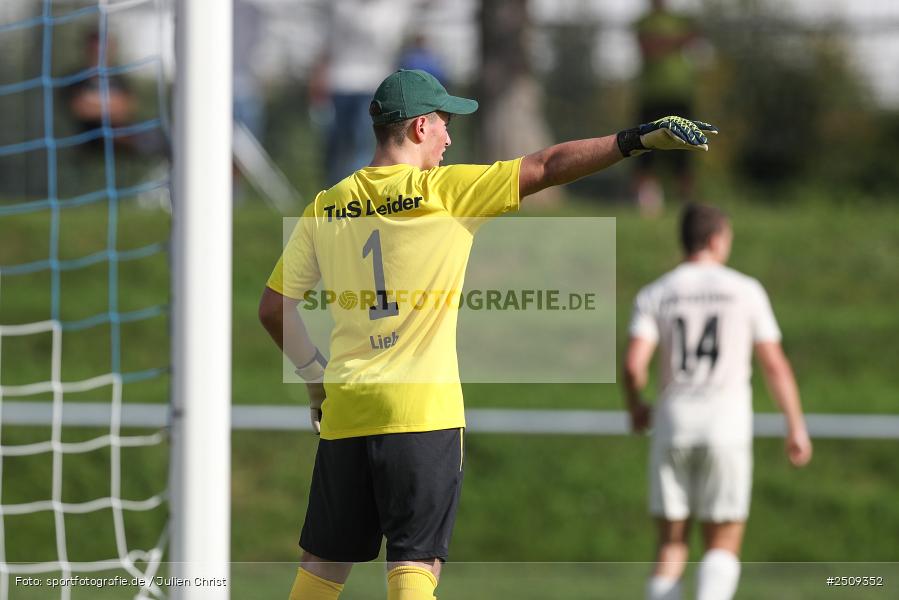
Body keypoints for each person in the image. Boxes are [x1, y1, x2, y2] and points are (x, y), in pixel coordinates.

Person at [259, 68, 716, 600]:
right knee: (414, 565)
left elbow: (274, 308)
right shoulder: (444, 192)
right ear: (420, 128)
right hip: (422, 413)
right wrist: (636, 140)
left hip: (347, 412)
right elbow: (547, 166)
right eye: (445, 124)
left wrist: (315, 380)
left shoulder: (326, 205)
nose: (450, 139)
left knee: (321, 569)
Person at [622, 203, 813, 600]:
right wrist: (795, 425)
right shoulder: (745, 290)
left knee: (671, 544)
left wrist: (636, 405)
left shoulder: (657, 293)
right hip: (726, 425)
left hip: (673, 423)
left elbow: (633, 365)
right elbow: (774, 365)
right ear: (715, 239)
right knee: (723, 543)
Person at [633, 0, 702, 215]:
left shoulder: (681, 20)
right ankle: (648, 208)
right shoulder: (644, 22)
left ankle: (687, 206)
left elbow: (693, 37)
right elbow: (649, 49)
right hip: (652, 96)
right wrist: (676, 40)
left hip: (679, 93)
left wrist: (666, 42)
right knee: (644, 151)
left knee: (685, 151)